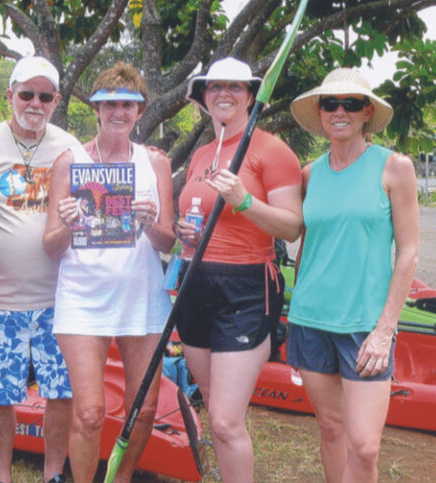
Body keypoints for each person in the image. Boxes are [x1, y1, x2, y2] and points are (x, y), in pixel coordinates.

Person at [43, 62, 174, 483]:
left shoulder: (155, 164)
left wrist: (150, 221)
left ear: (140, 111)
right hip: (82, 298)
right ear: (95, 109)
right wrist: (67, 222)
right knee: (89, 411)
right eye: (109, 103)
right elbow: (50, 246)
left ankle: (121, 478)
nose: (118, 111)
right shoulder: (70, 162)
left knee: (145, 407)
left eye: (128, 104)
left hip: (142, 297)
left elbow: (167, 242)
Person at [174, 57, 303, 482]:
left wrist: (245, 200)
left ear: (251, 95)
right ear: (202, 98)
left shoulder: (270, 149)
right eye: (214, 87)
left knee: (227, 422)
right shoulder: (202, 155)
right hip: (194, 282)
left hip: (246, 287)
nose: (223, 93)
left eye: (234, 86)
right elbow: (200, 222)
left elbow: (291, 225)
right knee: (214, 412)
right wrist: (183, 231)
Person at [287, 67, 419, 482]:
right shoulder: (309, 174)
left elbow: (409, 252)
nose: (339, 111)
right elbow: (308, 245)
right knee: (331, 428)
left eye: (351, 103)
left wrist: (386, 329)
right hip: (311, 320)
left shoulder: (394, 168)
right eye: (330, 103)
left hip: (364, 325)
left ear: (367, 113)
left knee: (364, 446)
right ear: (321, 112)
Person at [0, 56, 77, 483]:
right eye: (26, 93)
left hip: (59, 301)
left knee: (61, 394)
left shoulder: (70, 147)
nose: (35, 103)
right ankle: (1, 476)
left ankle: (52, 474)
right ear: (9, 95)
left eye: (45, 95)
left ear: (56, 100)